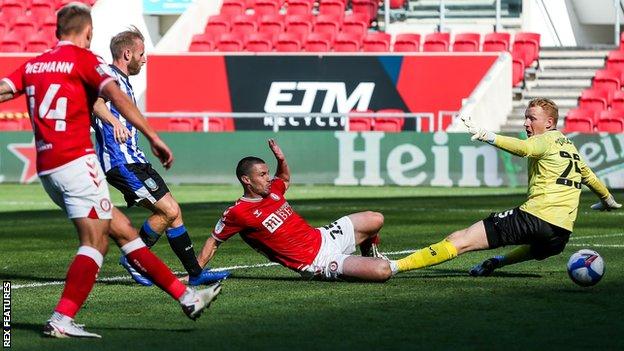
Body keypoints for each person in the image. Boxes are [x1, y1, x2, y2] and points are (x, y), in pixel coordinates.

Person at [0, 3, 220, 339]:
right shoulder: (85, 61)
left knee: (124, 232)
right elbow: (115, 97)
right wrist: (153, 136)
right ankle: (62, 318)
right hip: (77, 163)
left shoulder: (34, 64)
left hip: (48, 167)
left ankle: (187, 298)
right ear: (87, 30)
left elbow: (4, 89)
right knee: (95, 242)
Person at [391, 98, 621, 276]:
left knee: (459, 240)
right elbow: (589, 177)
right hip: (560, 234)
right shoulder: (569, 147)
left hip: (535, 216)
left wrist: (487, 135)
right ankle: (497, 262)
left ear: (549, 123)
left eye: (532, 118)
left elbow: (523, 149)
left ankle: (394, 265)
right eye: (525, 117)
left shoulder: (545, 139)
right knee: (537, 248)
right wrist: (607, 200)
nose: (526, 123)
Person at [91, 27, 229, 286]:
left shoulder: (122, 80)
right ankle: (133, 258)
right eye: (142, 53)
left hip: (135, 159)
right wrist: (113, 122)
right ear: (127, 53)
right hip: (120, 161)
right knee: (167, 210)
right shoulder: (108, 76)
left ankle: (195, 274)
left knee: (174, 214)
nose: (145, 59)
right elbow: (95, 103)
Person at [195, 139, 392, 282]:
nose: (268, 178)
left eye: (267, 173)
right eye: (262, 174)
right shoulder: (238, 212)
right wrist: (195, 272)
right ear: (246, 180)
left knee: (375, 218)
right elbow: (213, 242)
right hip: (317, 261)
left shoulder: (272, 191)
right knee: (383, 270)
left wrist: (281, 159)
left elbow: (285, 179)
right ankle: (355, 267)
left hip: (323, 236)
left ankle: (368, 255)